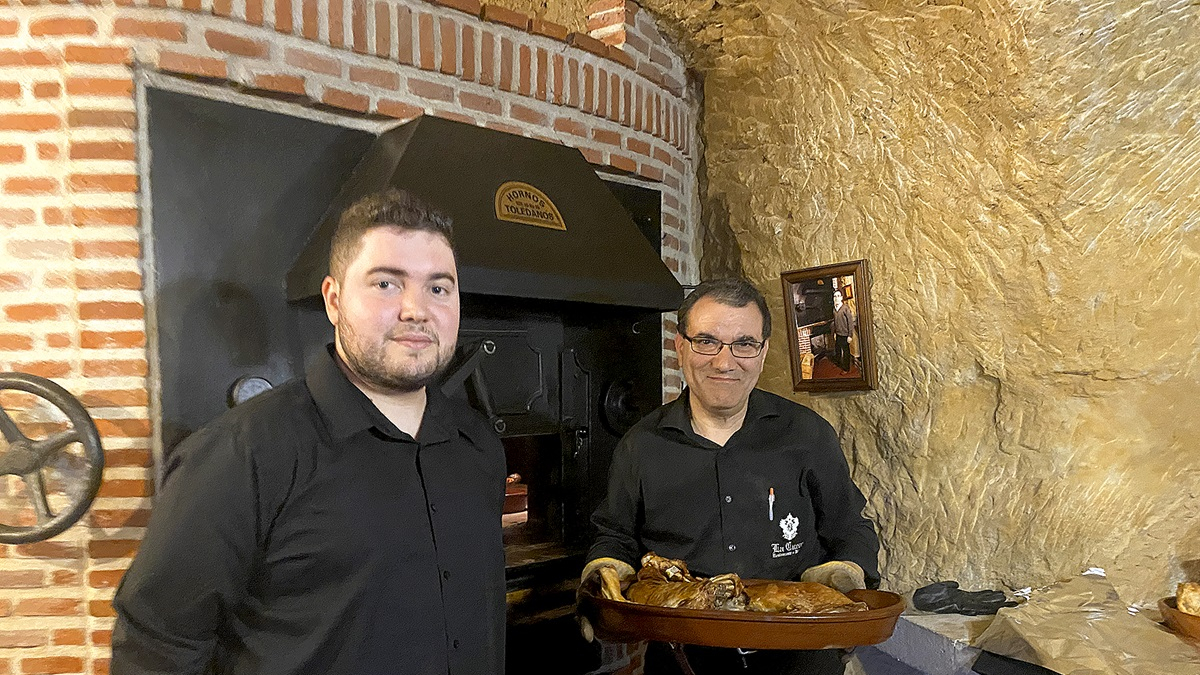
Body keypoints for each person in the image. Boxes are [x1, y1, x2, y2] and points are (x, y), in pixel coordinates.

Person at [111, 189, 506, 675]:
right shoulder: (241, 453)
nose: (416, 309)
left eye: (438, 288)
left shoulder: (478, 444)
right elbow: (156, 647)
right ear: (334, 301)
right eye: (386, 283)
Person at [584, 278, 879, 675]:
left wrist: (845, 571)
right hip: (683, 660)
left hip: (801, 655)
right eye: (707, 342)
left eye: (744, 343)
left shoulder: (807, 435)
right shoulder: (640, 445)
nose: (725, 363)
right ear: (680, 346)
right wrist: (603, 571)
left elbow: (850, 528)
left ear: (763, 352)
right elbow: (615, 536)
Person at [832, 289, 855, 373]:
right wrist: (835, 333)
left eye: (838, 296)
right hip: (838, 334)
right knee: (837, 349)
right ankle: (838, 363)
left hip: (845, 334)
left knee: (846, 352)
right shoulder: (834, 309)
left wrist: (850, 335)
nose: (836, 298)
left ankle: (846, 369)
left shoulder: (845, 308)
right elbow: (835, 322)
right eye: (835, 296)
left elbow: (850, 322)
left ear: (841, 298)